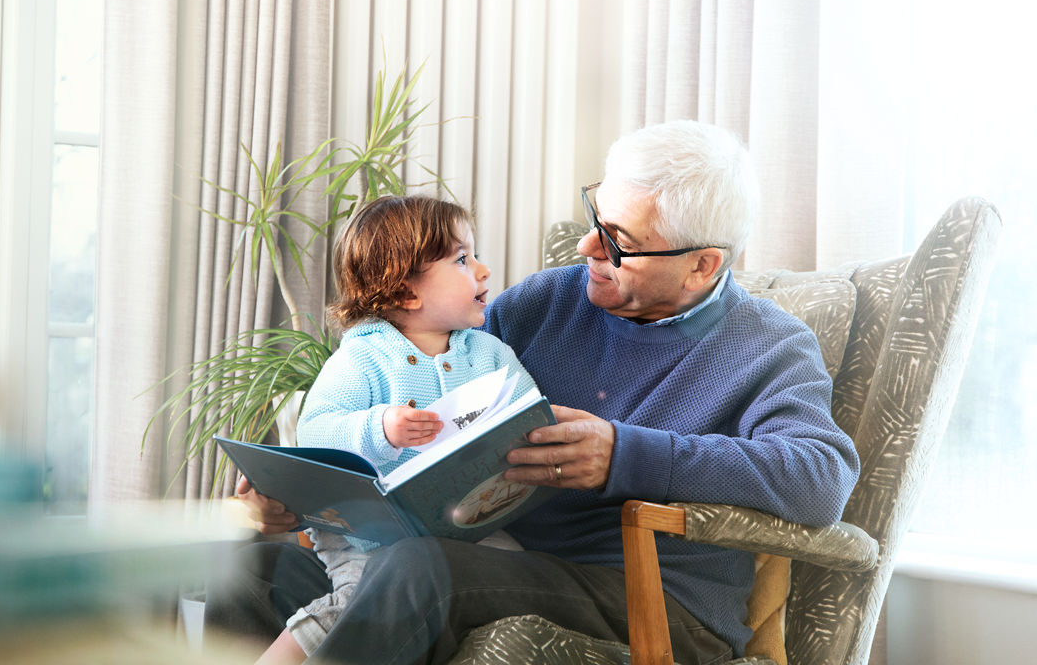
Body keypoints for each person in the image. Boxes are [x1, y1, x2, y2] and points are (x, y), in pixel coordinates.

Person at [206, 120, 861, 665]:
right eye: (595, 218)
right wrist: (306, 491)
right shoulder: (550, 300)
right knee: (250, 569)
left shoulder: (770, 345)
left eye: (617, 243)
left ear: (702, 265)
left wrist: (624, 454)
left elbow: (823, 476)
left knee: (415, 571)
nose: (585, 248)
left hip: (646, 594)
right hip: (492, 554)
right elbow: (418, 372)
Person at [236, 195, 537, 664]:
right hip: (366, 534)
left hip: (468, 525)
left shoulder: (490, 354)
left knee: (522, 577)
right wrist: (380, 427)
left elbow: (527, 417)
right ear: (404, 292)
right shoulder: (362, 358)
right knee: (359, 605)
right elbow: (316, 433)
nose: (483, 271)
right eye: (462, 259)